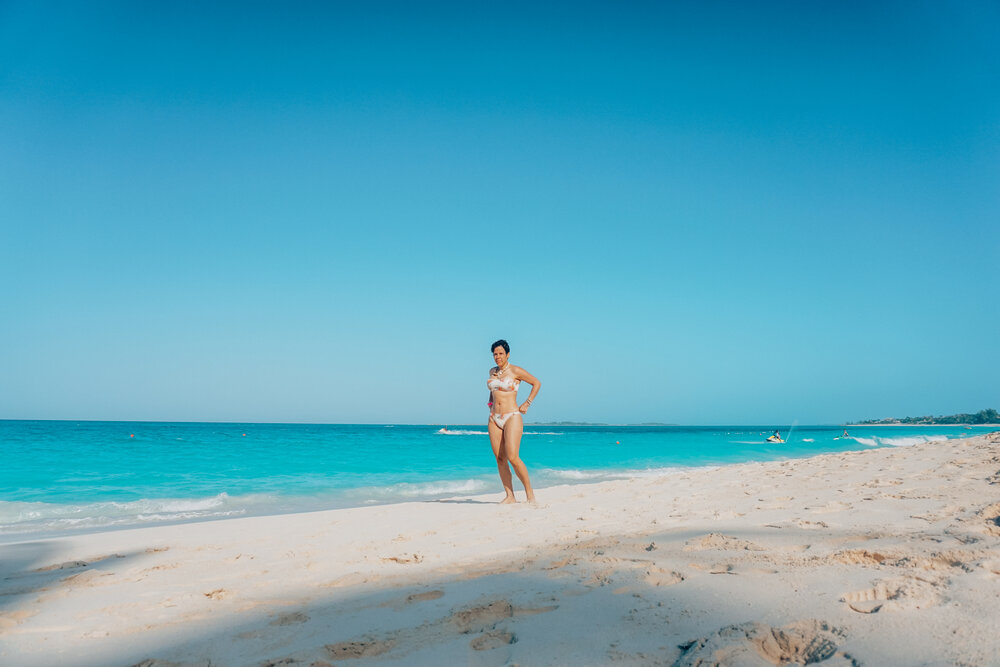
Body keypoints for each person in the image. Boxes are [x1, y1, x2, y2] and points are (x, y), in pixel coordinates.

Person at [486, 339, 541, 503]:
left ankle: (530, 494)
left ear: (507, 354)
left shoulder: (515, 370)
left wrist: (527, 403)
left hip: (512, 416)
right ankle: (510, 496)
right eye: (495, 354)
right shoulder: (492, 372)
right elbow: (493, 390)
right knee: (500, 458)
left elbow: (536, 383)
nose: (498, 356)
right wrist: (490, 403)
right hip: (494, 418)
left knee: (513, 456)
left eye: (501, 353)